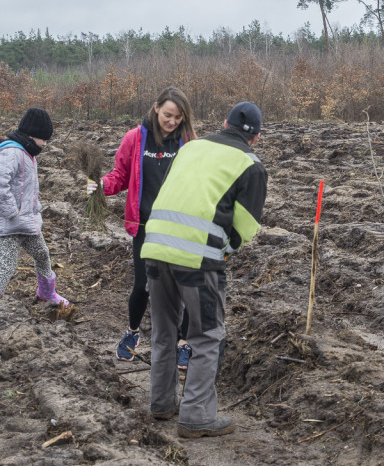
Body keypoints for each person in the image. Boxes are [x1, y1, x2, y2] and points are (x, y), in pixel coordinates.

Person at [141, 101, 268, 438]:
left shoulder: (191, 147)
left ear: (224, 123)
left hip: (153, 247)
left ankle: (161, 403)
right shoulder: (251, 164)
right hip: (197, 260)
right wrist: (223, 251)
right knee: (207, 335)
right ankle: (196, 417)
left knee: (164, 330)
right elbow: (246, 226)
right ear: (255, 138)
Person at [91, 87, 196, 365]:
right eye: (167, 115)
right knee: (142, 286)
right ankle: (132, 332)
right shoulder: (135, 138)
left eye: (178, 117)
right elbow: (120, 175)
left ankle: (182, 341)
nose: (172, 121)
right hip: (145, 226)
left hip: (178, 226)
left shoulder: (188, 140)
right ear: (156, 108)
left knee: (182, 286)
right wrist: (100, 185)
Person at [0, 108, 69, 308]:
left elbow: (27, 188)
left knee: (42, 254)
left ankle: (47, 293)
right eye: (43, 139)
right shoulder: (12, 153)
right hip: (9, 223)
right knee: (7, 266)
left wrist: (34, 207)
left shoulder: (29, 154)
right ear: (31, 134)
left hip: (27, 221)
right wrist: (12, 211)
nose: (45, 144)